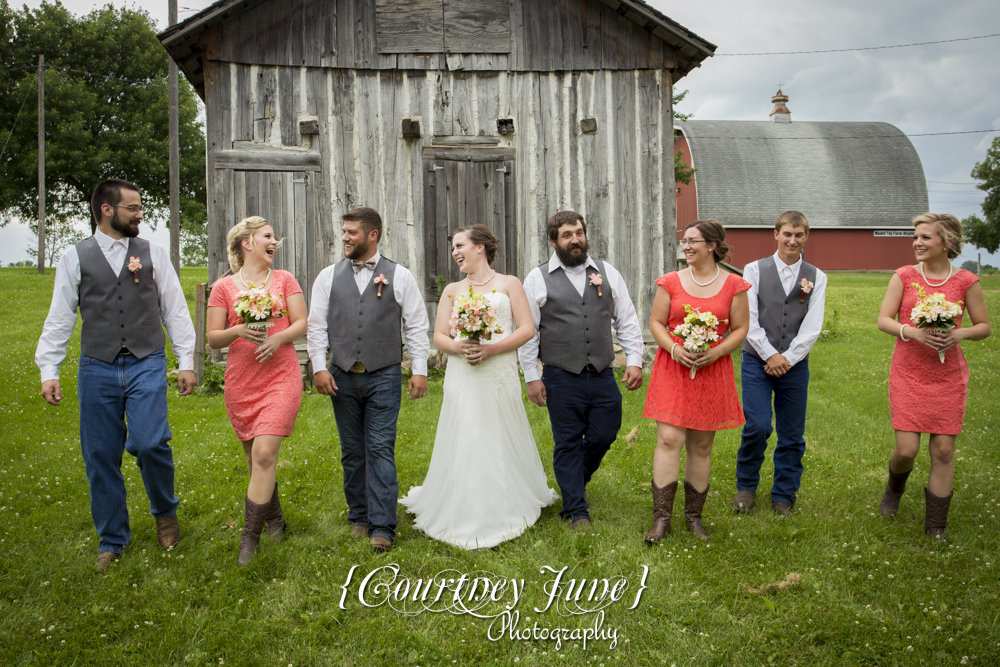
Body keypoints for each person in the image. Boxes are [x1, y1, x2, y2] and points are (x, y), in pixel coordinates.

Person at [36, 178, 196, 572]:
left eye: (140, 208)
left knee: (150, 441)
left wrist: (186, 360)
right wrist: (48, 369)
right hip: (97, 367)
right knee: (100, 455)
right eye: (133, 208)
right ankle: (112, 538)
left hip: (146, 361)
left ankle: (164, 511)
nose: (140, 214)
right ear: (107, 210)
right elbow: (60, 318)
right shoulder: (75, 258)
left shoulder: (153, 253)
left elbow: (174, 308)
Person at [400, 226, 557, 549]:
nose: (456, 252)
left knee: (498, 429)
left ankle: (507, 498)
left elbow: (527, 329)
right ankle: (464, 502)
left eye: (460, 245)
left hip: (497, 369)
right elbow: (440, 336)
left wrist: (491, 350)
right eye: (453, 248)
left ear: (481, 247)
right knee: (468, 431)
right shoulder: (453, 290)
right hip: (464, 371)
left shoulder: (509, 284)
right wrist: (460, 348)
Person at [307, 207, 430, 552]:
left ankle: (382, 525)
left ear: (372, 235)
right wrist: (318, 366)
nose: (344, 237)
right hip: (340, 375)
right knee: (351, 451)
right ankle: (359, 516)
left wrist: (419, 369)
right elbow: (317, 325)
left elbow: (416, 325)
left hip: (384, 375)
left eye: (351, 232)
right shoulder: (327, 277)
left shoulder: (400, 275)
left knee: (379, 448)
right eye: (343, 231)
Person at [519, 211, 645, 532]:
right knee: (568, 442)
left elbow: (626, 319)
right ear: (554, 241)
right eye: (566, 235)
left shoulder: (606, 272)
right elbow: (529, 332)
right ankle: (576, 510)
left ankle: (575, 478)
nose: (575, 240)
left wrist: (634, 360)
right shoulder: (538, 278)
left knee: (605, 432)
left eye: (579, 233)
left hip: (602, 372)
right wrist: (532, 377)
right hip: (560, 376)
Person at [876, 213, 991, 539]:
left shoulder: (966, 281)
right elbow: (884, 320)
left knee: (943, 450)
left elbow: (984, 327)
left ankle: (935, 527)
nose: (917, 242)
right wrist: (911, 331)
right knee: (907, 450)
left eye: (925, 237)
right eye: (916, 237)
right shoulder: (904, 276)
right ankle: (894, 490)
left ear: (947, 242)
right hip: (909, 372)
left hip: (948, 376)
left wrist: (960, 334)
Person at [207, 217, 307, 565]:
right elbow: (212, 339)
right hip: (242, 379)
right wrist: (238, 331)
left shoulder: (284, 280)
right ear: (247, 242)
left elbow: (301, 322)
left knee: (264, 454)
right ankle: (275, 518)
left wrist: (279, 336)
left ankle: (249, 541)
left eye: (274, 236)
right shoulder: (223, 287)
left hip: (281, 375)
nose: (274, 241)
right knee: (255, 459)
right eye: (267, 236)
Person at [643, 219, 750, 542]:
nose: (686, 246)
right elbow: (657, 322)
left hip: (711, 371)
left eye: (693, 241)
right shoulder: (671, 282)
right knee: (668, 440)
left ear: (712, 246)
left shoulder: (734, 285)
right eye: (684, 241)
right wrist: (674, 347)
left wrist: (717, 353)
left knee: (701, 445)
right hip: (674, 368)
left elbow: (741, 328)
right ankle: (661, 519)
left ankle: (694, 517)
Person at [734, 211, 827, 516]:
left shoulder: (816, 277)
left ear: (806, 238)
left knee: (792, 433)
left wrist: (787, 358)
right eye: (787, 234)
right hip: (756, 359)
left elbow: (813, 326)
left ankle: (784, 494)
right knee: (758, 425)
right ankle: (746, 486)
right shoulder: (754, 270)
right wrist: (769, 354)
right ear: (776, 234)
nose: (792, 240)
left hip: (794, 365)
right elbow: (748, 317)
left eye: (799, 235)